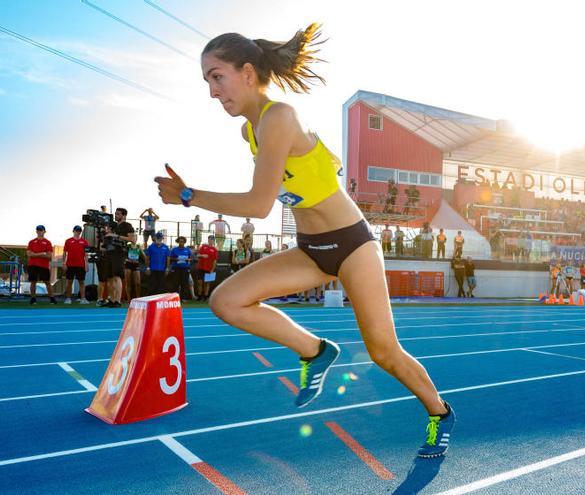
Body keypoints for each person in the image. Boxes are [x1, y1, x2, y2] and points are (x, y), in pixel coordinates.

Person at [154, 24, 453, 457]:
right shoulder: (249, 131)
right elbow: (272, 192)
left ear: (248, 73)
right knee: (226, 300)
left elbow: (259, 204)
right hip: (312, 250)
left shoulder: (279, 117)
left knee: (384, 352)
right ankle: (314, 351)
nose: (213, 91)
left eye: (217, 77)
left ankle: (439, 413)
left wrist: (188, 196)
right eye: (207, 81)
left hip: (352, 244)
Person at [102, 208, 137, 307]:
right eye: (115, 214)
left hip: (119, 253)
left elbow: (132, 239)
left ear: (124, 215)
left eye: (118, 214)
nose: (116, 215)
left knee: (117, 276)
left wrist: (116, 236)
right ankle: (112, 300)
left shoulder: (127, 226)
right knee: (109, 277)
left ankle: (117, 301)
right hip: (109, 252)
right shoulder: (114, 226)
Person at [27, 225, 56, 305]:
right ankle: (33, 299)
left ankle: (52, 298)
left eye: (41, 230)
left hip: (44, 266)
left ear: (44, 231)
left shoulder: (47, 242)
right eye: (38, 230)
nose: (40, 232)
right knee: (33, 282)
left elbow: (49, 256)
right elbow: (29, 254)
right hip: (33, 265)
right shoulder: (32, 242)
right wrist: (42, 253)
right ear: (36, 231)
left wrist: (35, 254)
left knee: (47, 282)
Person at [62, 225, 90, 304]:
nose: (78, 232)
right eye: (76, 231)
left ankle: (83, 299)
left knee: (81, 282)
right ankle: (68, 298)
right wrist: (64, 263)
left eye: (79, 231)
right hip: (70, 265)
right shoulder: (68, 241)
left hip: (80, 265)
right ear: (73, 231)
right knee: (69, 282)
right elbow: (64, 253)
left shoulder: (85, 242)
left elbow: (86, 254)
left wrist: (86, 264)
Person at [195, 235, 219, 301]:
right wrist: (202, 255)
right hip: (200, 267)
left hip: (209, 269)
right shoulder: (203, 246)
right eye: (209, 239)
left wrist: (212, 270)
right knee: (199, 282)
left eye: (212, 239)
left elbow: (215, 261)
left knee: (207, 283)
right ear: (208, 240)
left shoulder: (214, 250)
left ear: (214, 241)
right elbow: (197, 255)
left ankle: (205, 296)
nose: (210, 240)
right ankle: (199, 296)